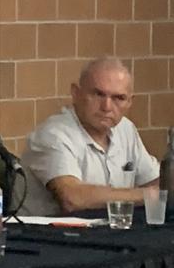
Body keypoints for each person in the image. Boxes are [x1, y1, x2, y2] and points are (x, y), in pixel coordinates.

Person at [23, 56, 158, 215]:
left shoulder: (125, 129)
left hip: (106, 232)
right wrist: (149, 195)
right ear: (76, 93)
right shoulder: (53, 135)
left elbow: (154, 180)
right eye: (98, 94)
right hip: (46, 236)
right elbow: (72, 198)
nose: (107, 106)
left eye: (118, 98)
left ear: (129, 102)